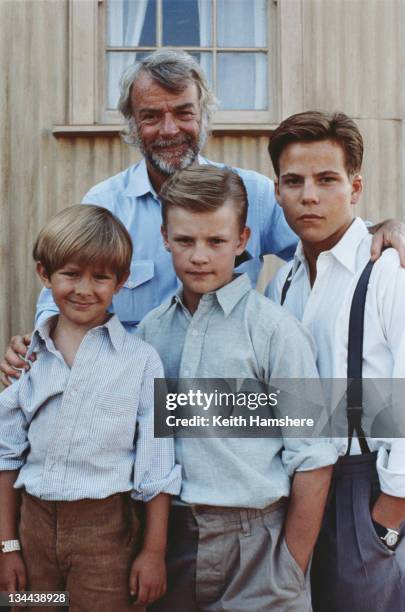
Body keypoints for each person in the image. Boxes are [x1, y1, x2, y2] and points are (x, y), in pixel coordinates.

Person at [1, 48, 404, 385]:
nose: (169, 129)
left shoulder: (253, 195)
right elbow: (61, 299)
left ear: (204, 116)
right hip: (126, 406)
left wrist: (382, 229)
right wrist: (34, 345)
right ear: (132, 123)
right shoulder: (105, 205)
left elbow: (324, 234)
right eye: (151, 116)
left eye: (183, 113)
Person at [137, 165, 338, 611]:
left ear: (243, 240)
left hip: (259, 547)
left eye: (216, 241)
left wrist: (290, 566)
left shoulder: (275, 332)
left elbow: (313, 457)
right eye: (185, 241)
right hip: (173, 541)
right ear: (165, 238)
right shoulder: (150, 333)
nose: (200, 256)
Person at [0, 205, 181, 611]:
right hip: (33, 529)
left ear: (121, 282)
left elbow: (157, 467)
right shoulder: (27, 358)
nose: (84, 288)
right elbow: (5, 454)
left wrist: (153, 553)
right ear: (44, 274)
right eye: (70, 273)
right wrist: (8, 545)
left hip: (105, 532)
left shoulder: (141, 361)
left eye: (100, 277)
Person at [265, 111, 405, 612]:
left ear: (355, 187)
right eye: (293, 181)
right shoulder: (281, 282)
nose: (309, 195)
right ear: (277, 191)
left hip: (362, 485)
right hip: (296, 489)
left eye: (327, 180)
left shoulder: (388, 270)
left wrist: (389, 512)